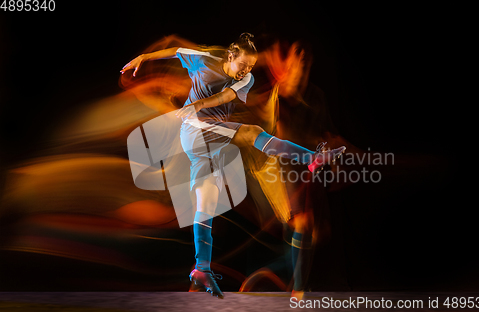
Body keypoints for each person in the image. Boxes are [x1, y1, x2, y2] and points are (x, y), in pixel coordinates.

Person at [121, 33, 345, 299]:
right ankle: (310, 158)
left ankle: (201, 267)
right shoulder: (204, 60)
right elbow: (174, 49)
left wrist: (196, 104)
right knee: (251, 133)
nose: (246, 72)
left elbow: (224, 98)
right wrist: (143, 57)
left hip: (208, 138)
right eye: (243, 65)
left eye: (251, 67)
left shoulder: (245, 80)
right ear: (230, 56)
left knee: (207, 199)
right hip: (195, 130)